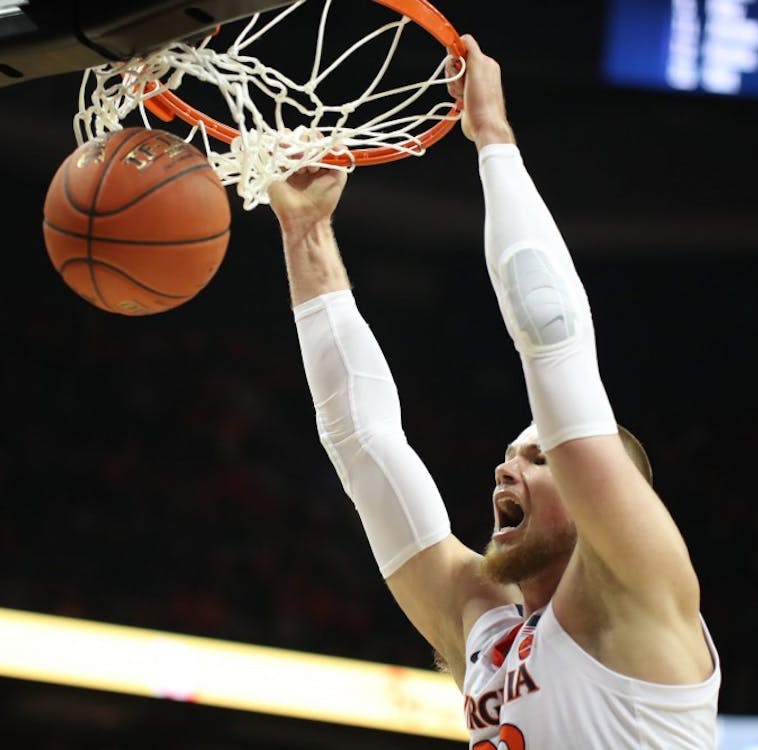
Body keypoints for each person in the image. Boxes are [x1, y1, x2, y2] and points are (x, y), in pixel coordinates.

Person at [267, 33, 720, 749]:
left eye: (540, 458)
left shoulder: (639, 592)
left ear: (609, 497)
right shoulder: (485, 626)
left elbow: (549, 327)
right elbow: (361, 441)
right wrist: (306, 231)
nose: (508, 467)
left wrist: (493, 136)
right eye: (514, 455)